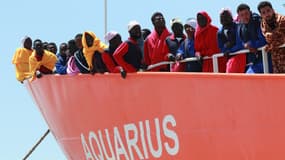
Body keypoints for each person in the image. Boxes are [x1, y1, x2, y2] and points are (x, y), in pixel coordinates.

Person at [237, 3, 272, 73]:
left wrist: (251, 44)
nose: (245, 16)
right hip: (253, 61)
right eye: (242, 15)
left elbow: (264, 40)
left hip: (267, 58)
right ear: (239, 17)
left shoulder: (258, 22)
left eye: (246, 13)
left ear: (250, 12)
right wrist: (245, 46)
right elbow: (240, 43)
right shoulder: (240, 27)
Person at [258, 1, 285, 73]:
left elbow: (282, 38)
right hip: (276, 59)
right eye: (263, 12)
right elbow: (269, 38)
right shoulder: (263, 25)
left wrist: (270, 46)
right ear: (261, 15)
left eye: (268, 10)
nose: (267, 14)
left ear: (273, 10)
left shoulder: (282, 20)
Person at [217, 9, 246, 73]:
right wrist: (225, 48)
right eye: (222, 17)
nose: (224, 18)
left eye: (226, 16)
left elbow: (241, 44)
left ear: (231, 17)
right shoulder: (219, 32)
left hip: (241, 56)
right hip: (229, 59)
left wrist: (230, 49)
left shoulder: (238, 26)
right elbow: (221, 47)